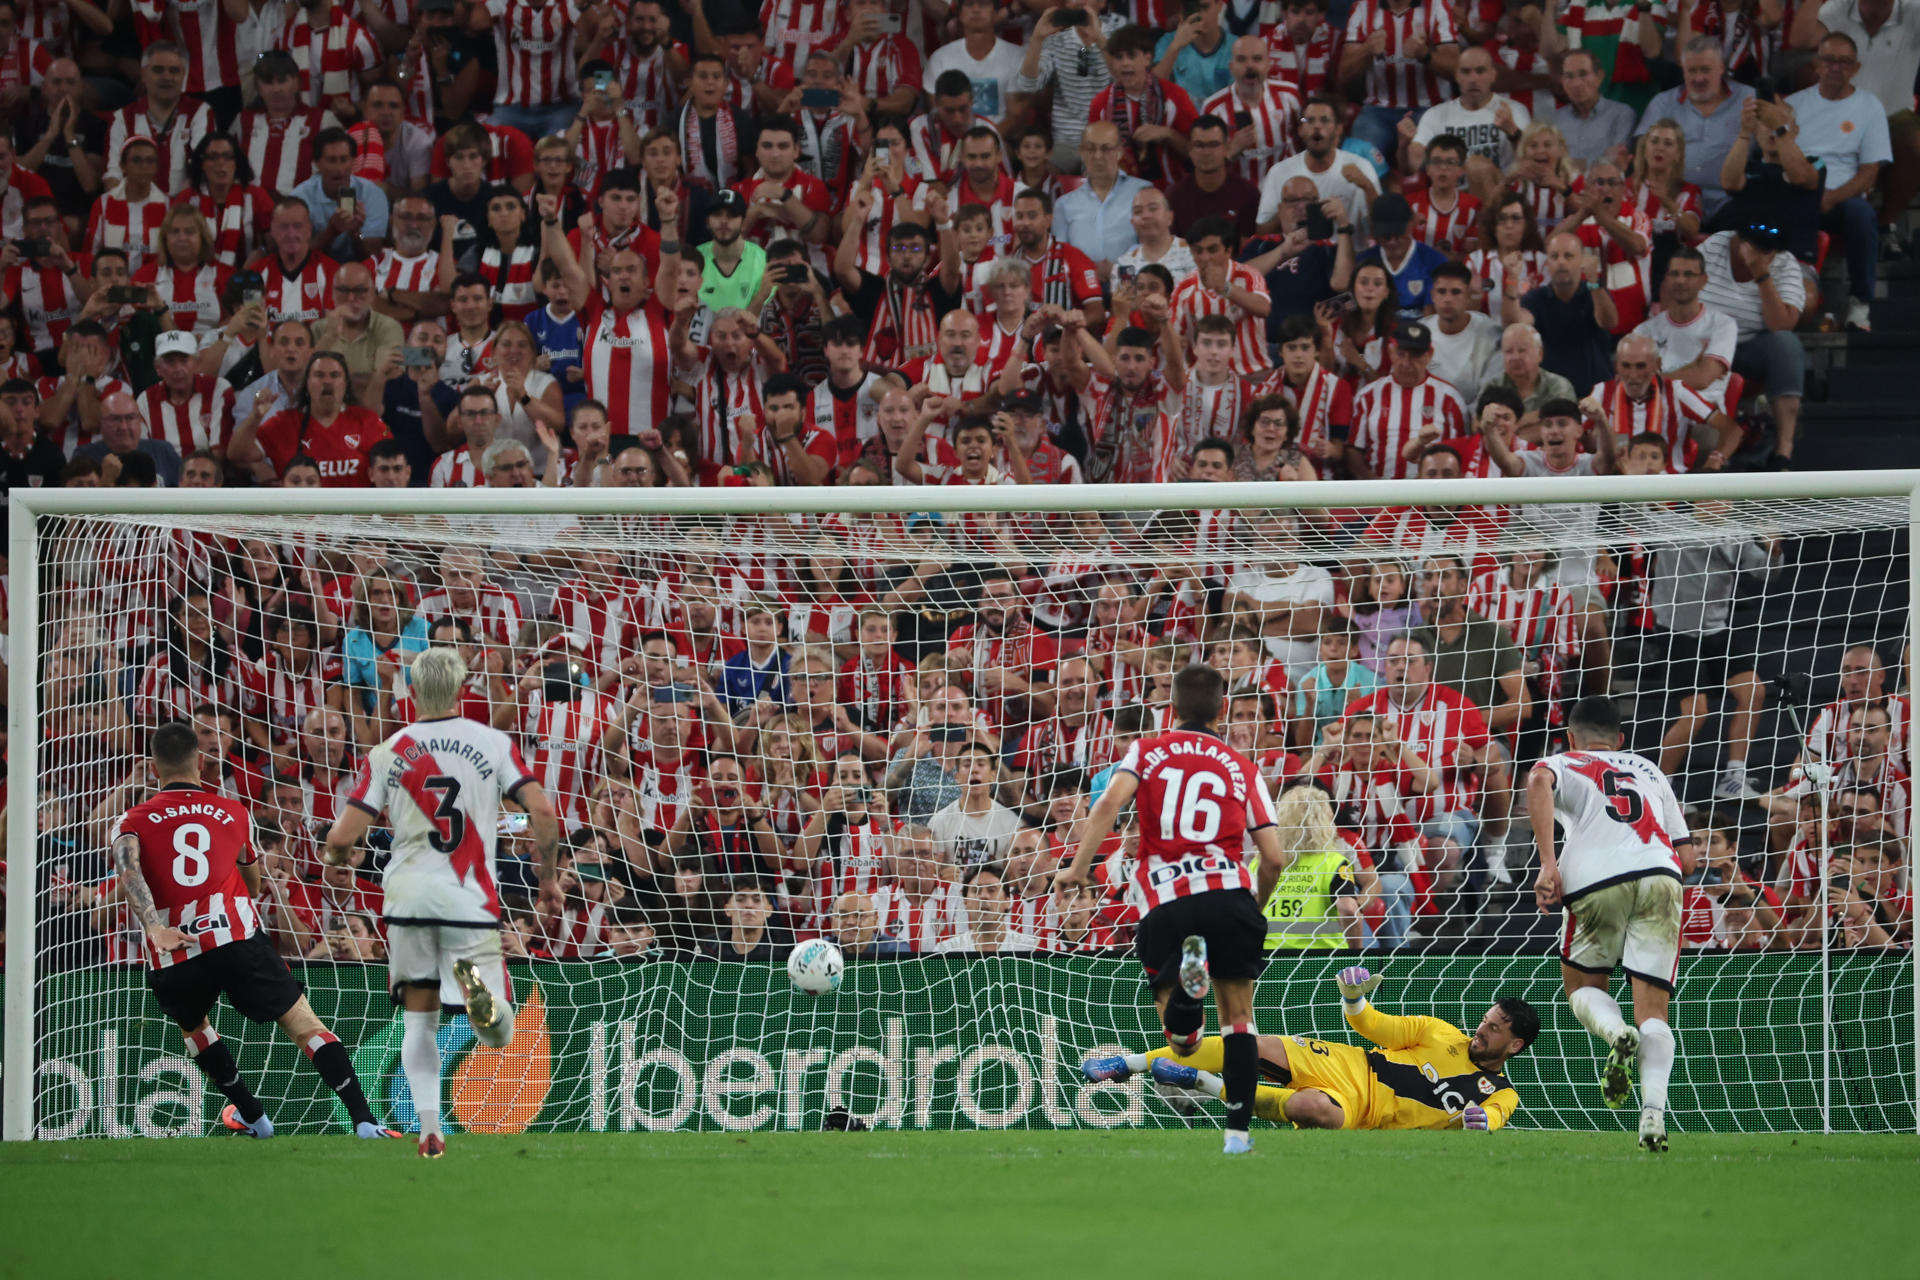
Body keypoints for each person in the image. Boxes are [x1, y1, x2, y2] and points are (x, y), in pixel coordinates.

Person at [323, 646, 562, 1159]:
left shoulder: (387, 751)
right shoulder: (493, 742)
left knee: (419, 1019)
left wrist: (335, 857)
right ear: (460, 690)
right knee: (499, 1034)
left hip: (407, 896)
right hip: (468, 897)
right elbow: (542, 810)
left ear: (411, 691)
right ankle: (479, 998)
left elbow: (345, 833)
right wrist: (546, 878)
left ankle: (430, 1129)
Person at [109, 721, 399, 1142]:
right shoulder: (234, 813)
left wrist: (155, 926)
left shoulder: (130, 820)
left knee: (196, 1030)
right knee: (305, 1025)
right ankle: (364, 1121)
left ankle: (253, 1115)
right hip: (235, 936)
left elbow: (128, 871)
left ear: (155, 769)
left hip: (175, 949)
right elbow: (253, 883)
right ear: (201, 762)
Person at [1065, 662, 1290, 1156]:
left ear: (1172, 707)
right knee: (1239, 1022)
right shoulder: (1240, 765)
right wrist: (1255, 905)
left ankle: (1190, 992)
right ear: (1222, 709)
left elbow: (1107, 805)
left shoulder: (1146, 751)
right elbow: (1273, 858)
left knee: (1184, 1043)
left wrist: (1079, 867)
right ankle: (1236, 1135)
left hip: (1167, 898)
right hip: (1230, 895)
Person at [1528, 695, 1691, 1152]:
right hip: (1662, 874)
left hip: (1596, 877)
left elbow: (1538, 780)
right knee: (1655, 1013)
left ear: (1572, 737)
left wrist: (1547, 865)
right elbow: (1689, 854)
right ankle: (1653, 1115)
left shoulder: (1563, 759)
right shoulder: (1649, 769)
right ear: (1619, 739)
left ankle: (1615, 1033)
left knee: (1583, 987)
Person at [1108, 967, 1537, 1132]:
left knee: (1312, 1110)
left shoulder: (1501, 1094)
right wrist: (1355, 999)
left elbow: (1492, 1119)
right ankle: (1128, 1063)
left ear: (1514, 1045)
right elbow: (1372, 1025)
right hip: (1349, 1064)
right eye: (1485, 1020)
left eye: (1494, 1029)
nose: (1481, 1031)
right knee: (1251, 1044)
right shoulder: (1441, 1032)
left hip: (1361, 1111)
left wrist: (1479, 1121)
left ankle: (1200, 1083)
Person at [1787, 33, 1892, 332]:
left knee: (1862, 215)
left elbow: (1870, 172)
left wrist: (1830, 197)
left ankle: (1860, 304)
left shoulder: (1869, 106)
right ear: (1817, 65)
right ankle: (1786, 301)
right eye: (1829, 60)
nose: (1836, 67)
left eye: (1844, 61)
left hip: (1841, 197)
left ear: (1856, 68)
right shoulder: (1793, 106)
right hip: (1797, 193)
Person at [1697, 223, 1805, 467]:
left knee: (1786, 345)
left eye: (1770, 250)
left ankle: (1783, 451)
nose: (1765, 253)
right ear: (1738, 239)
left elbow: (1781, 324)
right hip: (1705, 344)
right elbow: (1683, 293)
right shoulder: (1714, 246)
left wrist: (1761, 273)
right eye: (1759, 247)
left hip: (1748, 347)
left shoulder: (1785, 262)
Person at [1634, 38, 1756, 219]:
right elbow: (1642, 151)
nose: (1698, 78)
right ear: (1683, 70)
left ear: (1721, 68)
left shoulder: (1748, 98)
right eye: (1692, 71)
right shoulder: (1663, 103)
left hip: (1730, 201)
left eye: (1706, 70)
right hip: (1672, 201)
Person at [1508, 230, 1618, 393]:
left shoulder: (1595, 294)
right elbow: (1518, 324)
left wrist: (1593, 282)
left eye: (1568, 256)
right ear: (1547, 264)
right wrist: (1511, 280)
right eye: (1554, 257)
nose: (1560, 262)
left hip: (1596, 394)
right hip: (1551, 396)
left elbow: (1609, 322)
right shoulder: (1535, 298)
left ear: (1581, 261)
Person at [1166, 114, 1261, 240]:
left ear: (1226, 148)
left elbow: (1251, 246)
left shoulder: (1248, 194)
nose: (1206, 152)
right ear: (1190, 150)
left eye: (1213, 144)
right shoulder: (1174, 196)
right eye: (1199, 145)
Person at [1552, 49, 1637, 173]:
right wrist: (1599, 160)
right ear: (1561, 81)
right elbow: (1549, 166)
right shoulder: (1555, 120)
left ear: (1600, 76)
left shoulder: (1622, 114)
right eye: (1569, 76)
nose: (1576, 83)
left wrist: (1566, 165)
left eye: (1583, 74)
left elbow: (1616, 165)